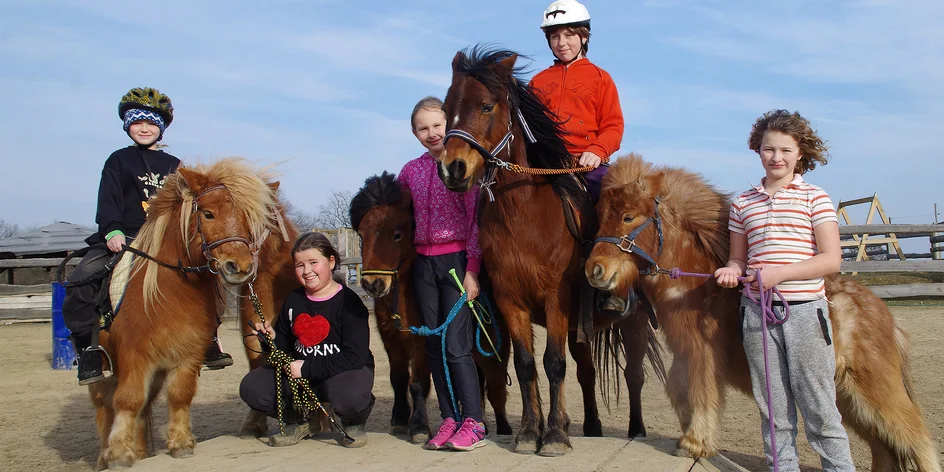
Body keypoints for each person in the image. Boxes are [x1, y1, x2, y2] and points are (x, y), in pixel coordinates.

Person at [714, 110, 854, 471]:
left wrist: (779, 274)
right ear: (757, 150)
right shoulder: (743, 203)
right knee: (774, 411)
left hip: (806, 312)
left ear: (800, 153)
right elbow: (737, 260)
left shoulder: (815, 198)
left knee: (820, 409)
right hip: (757, 315)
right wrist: (731, 272)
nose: (776, 157)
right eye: (768, 149)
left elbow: (831, 260)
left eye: (785, 150)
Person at [64, 87, 232, 386]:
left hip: (165, 240)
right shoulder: (118, 161)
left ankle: (208, 337)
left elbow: (187, 208)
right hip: (125, 236)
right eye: (137, 121)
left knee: (209, 276)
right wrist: (112, 230)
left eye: (151, 122)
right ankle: (88, 349)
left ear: (162, 127)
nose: (144, 127)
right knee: (82, 278)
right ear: (127, 125)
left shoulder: (175, 166)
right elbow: (108, 202)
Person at [397, 96, 487, 451]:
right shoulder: (410, 171)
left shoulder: (463, 164)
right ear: (415, 133)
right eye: (423, 128)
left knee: (455, 345)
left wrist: (473, 271)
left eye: (437, 125)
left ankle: (475, 421)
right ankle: (449, 418)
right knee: (433, 345)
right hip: (423, 264)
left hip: (457, 261)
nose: (432, 133)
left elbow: (476, 222)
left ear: (448, 124)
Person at [240, 232, 375, 448]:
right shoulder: (294, 300)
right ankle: (300, 420)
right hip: (302, 379)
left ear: (331, 262)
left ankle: (353, 422)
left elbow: (355, 357)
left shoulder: (350, 303)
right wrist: (270, 339)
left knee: (350, 394)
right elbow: (283, 346)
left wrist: (306, 368)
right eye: (300, 265)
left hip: (340, 373)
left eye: (314, 262)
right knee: (252, 387)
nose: (307, 271)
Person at [529, 0, 624, 203]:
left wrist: (597, 150)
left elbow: (613, 126)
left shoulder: (601, 78)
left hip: (585, 165)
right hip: (543, 164)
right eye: (554, 37)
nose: (561, 43)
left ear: (583, 36)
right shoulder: (537, 81)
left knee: (621, 198)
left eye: (569, 35)